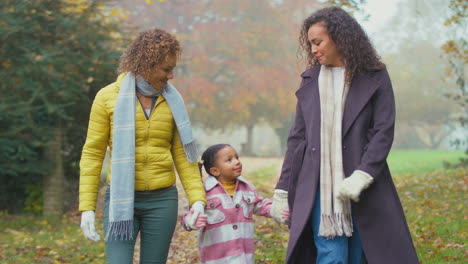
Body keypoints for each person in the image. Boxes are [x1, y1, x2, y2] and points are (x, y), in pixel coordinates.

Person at [269, 6, 419, 264]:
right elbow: (297, 139)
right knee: (332, 256)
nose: (313, 50)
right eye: (310, 44)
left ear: (340, 38)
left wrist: (363, 174)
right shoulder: (310, 80)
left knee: (361, 255)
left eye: (318, 42)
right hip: (318, 185)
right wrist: (282, 190)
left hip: (365, 184)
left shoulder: (375, 75)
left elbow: (383, 130)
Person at [78, 28, 207, 264]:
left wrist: (197, 198)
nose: (170, 76)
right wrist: (86, 206)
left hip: (162, 201)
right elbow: (93, 154)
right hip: (120, 199)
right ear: (146, 64)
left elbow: (183, 155)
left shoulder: (173, 101)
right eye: (166, 69)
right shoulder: (107, 97)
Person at [181, 144, 289, 264]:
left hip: (244, 257)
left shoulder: (246, 187)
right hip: (217, 259)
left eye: (237, 157)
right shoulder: (203, 192)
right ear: (215, 171)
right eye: (229, 160)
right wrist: (192, 220)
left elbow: (259, 204)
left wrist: (276, 210)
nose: (237, 162)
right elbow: (188, 216)